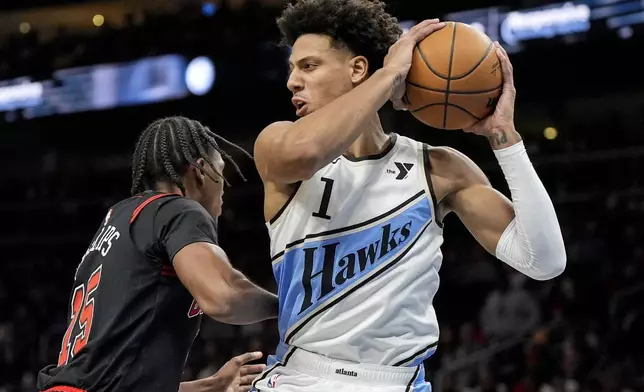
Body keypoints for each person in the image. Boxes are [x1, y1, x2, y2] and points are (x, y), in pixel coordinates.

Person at [251, 1, 566, 391]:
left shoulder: (439, 167)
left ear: (358, 69)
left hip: (401, 382)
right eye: (292, 69)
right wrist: (390, 76)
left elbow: (544, 261)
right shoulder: (277, 144)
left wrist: (505, 138)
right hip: (304, 378)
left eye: (309, 66)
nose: (292, 82)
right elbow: (306, 152)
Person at [37, 116, 278, 392]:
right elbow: (224, 296)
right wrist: (289, 306)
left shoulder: (121, 217)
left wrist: (212, 385)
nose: (224, 185)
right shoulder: (179, 211)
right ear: (200, 171)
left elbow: (116, 379)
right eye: (221, 171)